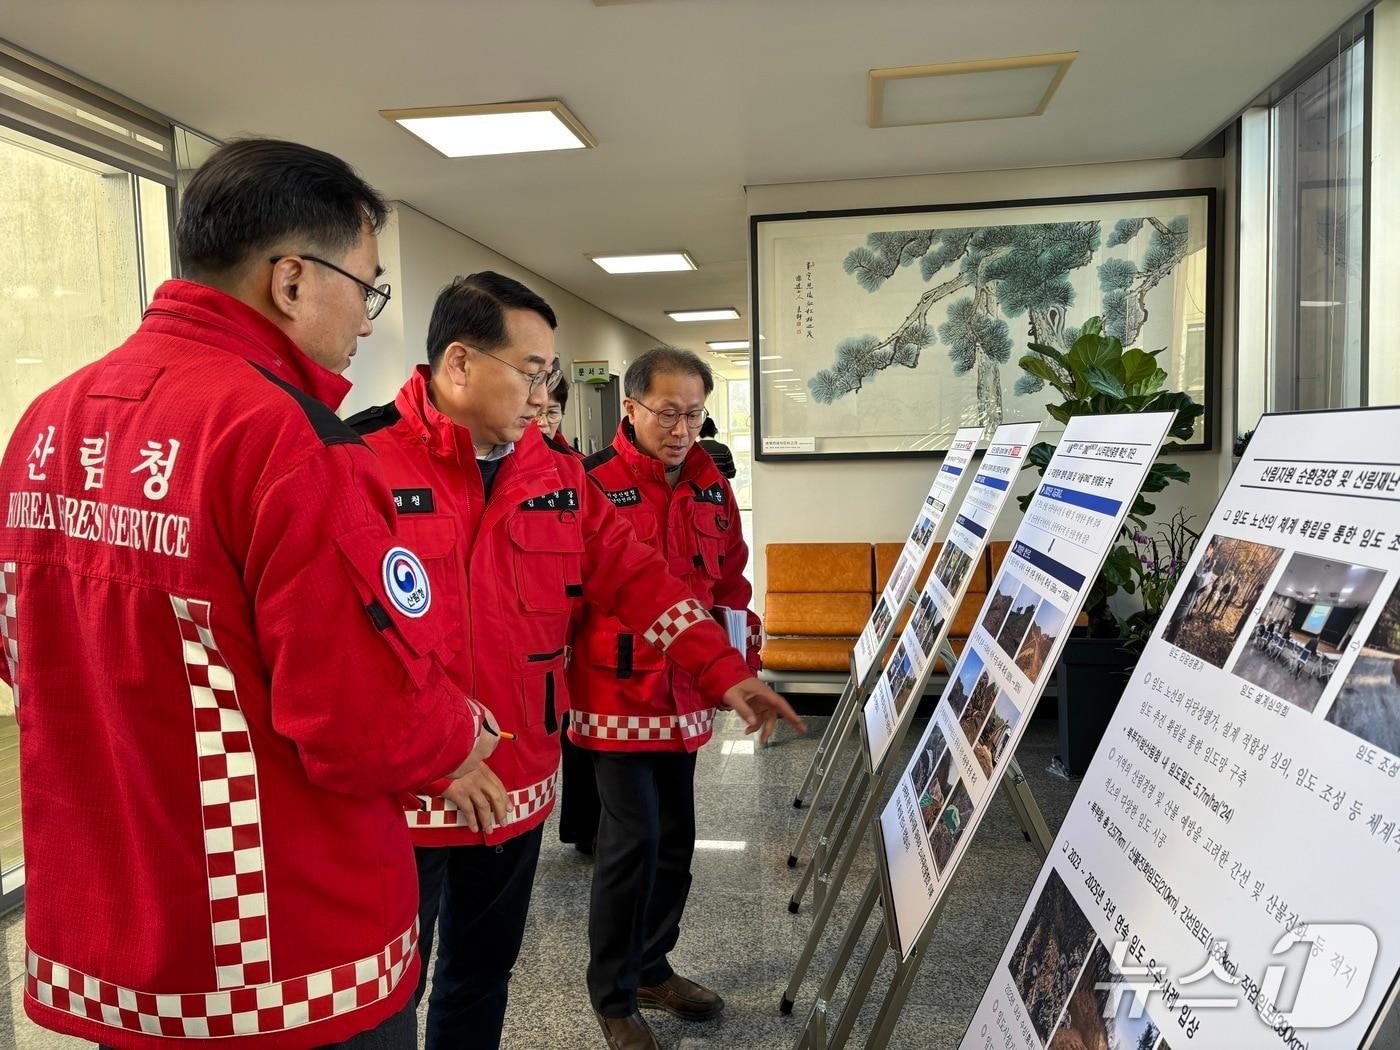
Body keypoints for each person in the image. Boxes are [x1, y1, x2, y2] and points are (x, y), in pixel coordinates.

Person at [0, 139, 498, 1050]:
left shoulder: (45, 421)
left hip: (120, 944)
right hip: (282, 955)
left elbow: (22, 646)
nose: (367, 321)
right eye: (368, 287)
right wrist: (462, 733)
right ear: (293, 281)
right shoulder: (290, 443)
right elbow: (359, 723)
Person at [345, 277, 802, 1050]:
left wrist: (724, 668)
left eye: (547, 375)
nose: (543, 392)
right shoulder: (359, 460)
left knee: (481, 976)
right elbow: (343, 645)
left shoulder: (553, 474)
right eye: (532, 371)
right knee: (385, 995)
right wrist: (443, 746)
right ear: (459, 364)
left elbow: (641, 581)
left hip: (517, 785)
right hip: (406, 793)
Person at [570, 347, 776, 1050]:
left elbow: (731, 588)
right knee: (631, 843)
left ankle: (654, 966)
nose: (682, 427)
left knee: (676, 846)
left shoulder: (712, 487)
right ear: (631, 408)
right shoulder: (590, 483)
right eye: (668, 412)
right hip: (613, 695)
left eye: (694, 414)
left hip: (686, 697)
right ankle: (614, 995)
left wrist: (739, 667)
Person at [535, 370, 584, 458]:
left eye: (552, 412)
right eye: (536, 413)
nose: (543, 423)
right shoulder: (504, 460)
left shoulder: (577, 463)